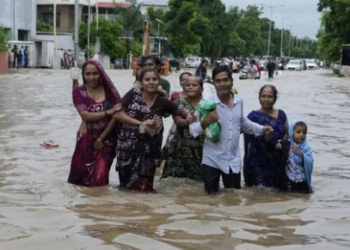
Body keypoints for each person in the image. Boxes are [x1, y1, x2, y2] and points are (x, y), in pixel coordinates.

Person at [190, 66, 274, 194]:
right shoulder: (206, 104)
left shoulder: (239, 101)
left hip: (232, 160)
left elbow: (243, 123)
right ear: (214, 83)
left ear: (232, 81)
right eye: (218, 81)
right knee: (209, 200)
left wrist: (262, 129)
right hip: (211, 159)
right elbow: (193, 130)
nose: (222, 84)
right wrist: (206, 121)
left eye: (225, 80)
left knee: (233, 199)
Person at [114, 68, 192, 193]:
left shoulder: (162, 101)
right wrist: (140, 123)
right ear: (141, 82)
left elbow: (180, 108)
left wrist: (188, 116)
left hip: (149, 150)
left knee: (145, 188)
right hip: (128, 149)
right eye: (147, 79)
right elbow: (117, 114)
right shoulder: (133, 94)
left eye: (154, 79)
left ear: (158, 81)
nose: (151, 82)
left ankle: (146, 210)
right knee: (125, 187)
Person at [68, 59, 122, 187]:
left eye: (95, 74)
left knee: (100, 178)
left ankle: (101, 205)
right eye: (88, 74)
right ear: (83, 75)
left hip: (107, 139)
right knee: (81, 180)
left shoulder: (109, 91)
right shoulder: (78, 91)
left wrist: (101, 138)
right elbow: (85, 116)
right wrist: (108, 112)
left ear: (101, 74)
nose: (91, 78)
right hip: (86, 138)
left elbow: (118, 114)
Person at [243, 85, 289, 189]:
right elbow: (243, 131)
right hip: (257, 164)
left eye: (270, 96)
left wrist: (282, 143)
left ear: (275, 98)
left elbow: (287, 133)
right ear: (259, 98)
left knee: (276, 193)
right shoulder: (252, 116)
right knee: (259, 194)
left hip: (277, 161)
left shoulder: (282, 115)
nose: (266, 99)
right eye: (263, 96)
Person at [162, 76, 204, 181]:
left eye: (194, 85)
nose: (190, 87)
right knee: (173, 182)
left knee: (199, 182)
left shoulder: (207, 104)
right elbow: (177, 120)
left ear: (201, 89)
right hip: (179, 147)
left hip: (200, 148)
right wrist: (187, 121)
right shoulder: (178, 103)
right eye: (187, 85)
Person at [277, 120, 314, 193]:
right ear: (291, 132)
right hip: (289, 179)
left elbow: (310, 162)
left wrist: (300, 154)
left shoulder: (306, 147)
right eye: (298, 132)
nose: (301, 135)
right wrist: (279, 146)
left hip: (302, 180)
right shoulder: (287, 145)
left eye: (304, 133)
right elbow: (279, 154)